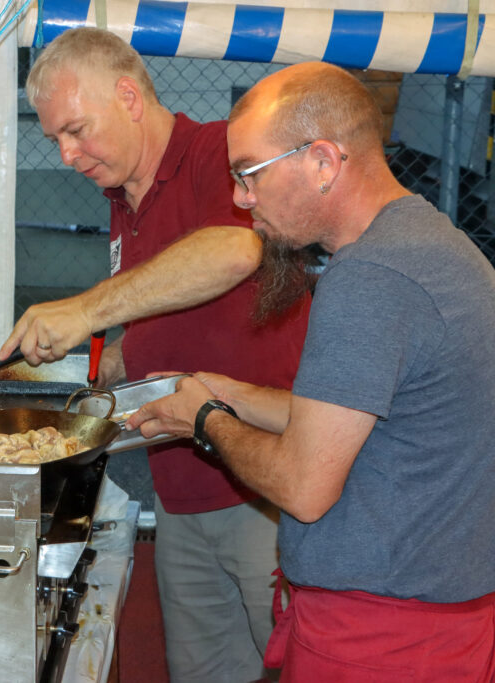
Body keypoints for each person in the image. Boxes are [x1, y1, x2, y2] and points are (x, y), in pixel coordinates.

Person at [126, 61, 495, 680]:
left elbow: (303, 485)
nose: (241, 199)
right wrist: (234, 394)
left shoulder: (370, 279)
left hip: (384, 634)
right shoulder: (429, 241)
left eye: (248, 174)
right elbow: (358, 420)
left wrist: (206, 419)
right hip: (436, 611)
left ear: (323, 162)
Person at [0, 28, 310, 682]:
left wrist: (84, 309)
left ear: (129, 96)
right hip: (180, 490)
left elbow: (233, 251)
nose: (65, 153)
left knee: (300, 665)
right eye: (56, 137)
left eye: (77, 130)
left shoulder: (215, 151)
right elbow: (164, 309)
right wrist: (101, 360)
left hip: (262, 490)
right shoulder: (122, 197)